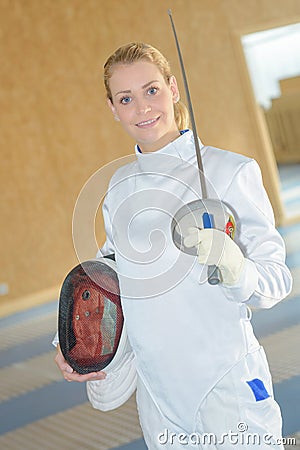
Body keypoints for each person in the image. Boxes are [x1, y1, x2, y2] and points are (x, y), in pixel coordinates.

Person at [54, 42, 292, 449]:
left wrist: (235, 266)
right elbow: (108, 274)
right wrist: (72, 340)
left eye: (151, 91)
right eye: (126, 98)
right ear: (113, 108)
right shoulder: (119, 187)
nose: (143, 109)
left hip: (225, 380)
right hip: (158, 393)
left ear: (173, 88)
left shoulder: (230, 171)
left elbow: (276, 281)